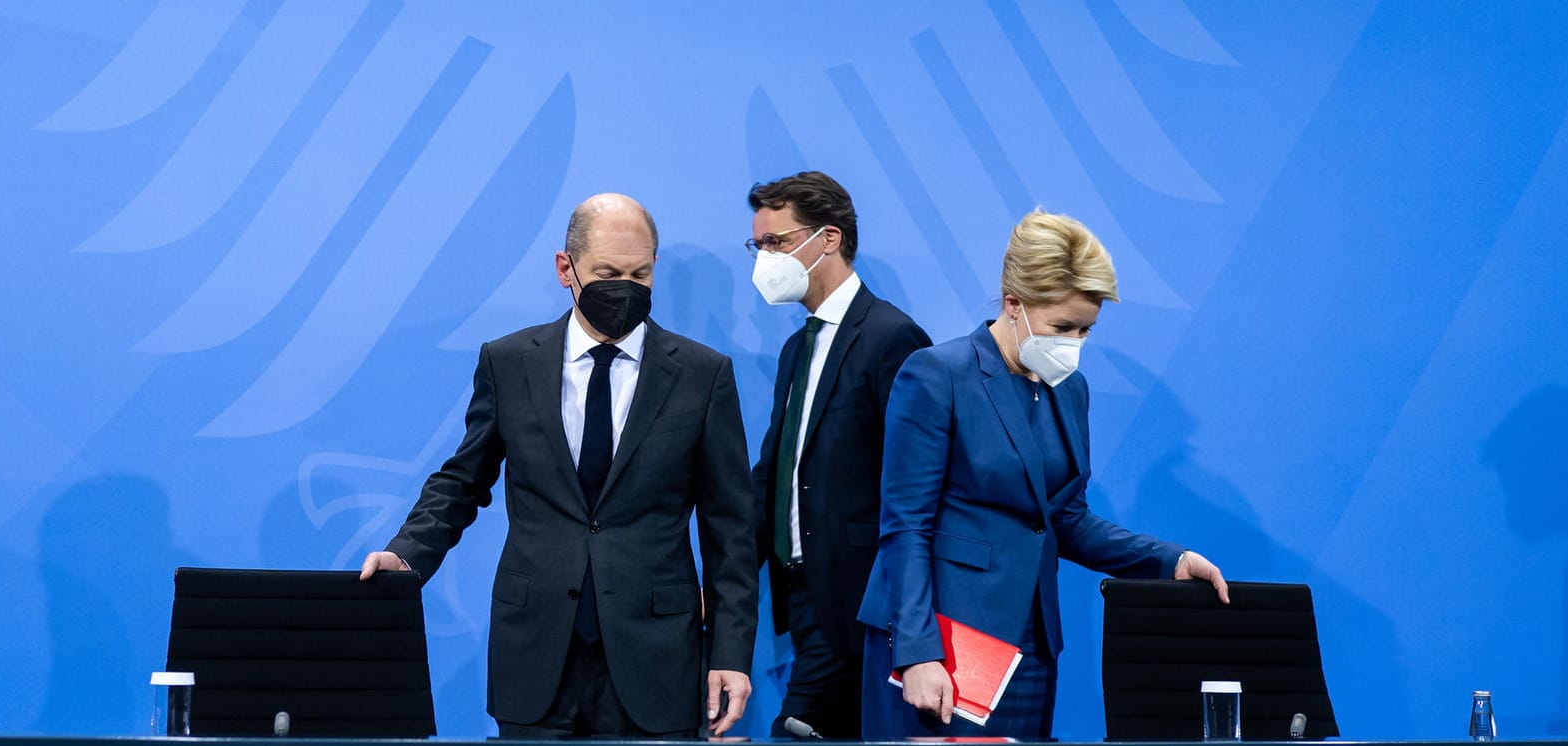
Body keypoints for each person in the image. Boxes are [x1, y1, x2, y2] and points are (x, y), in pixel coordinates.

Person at [360, 193, 758, 737]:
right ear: (564, 268)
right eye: (608, 272)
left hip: (656, 658)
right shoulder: (508, 362)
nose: (626, 287)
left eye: (640, 273)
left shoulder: (701, 374)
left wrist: (731, 652)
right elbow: (462, 480)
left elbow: (730, 528)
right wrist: (407, 556)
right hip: (535, 651)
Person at [855, 208, 1230, 738]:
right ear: (1014, 305)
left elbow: (1065, 519)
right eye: (1062, 326)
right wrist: (917, 653)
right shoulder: (937, 374)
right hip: (939, 649)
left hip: (1030, 649)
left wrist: (1169, 560)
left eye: (1086, 329)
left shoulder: (1069, 390)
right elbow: (905, 526)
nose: (1074, 342)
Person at [744, 172, 930, 738]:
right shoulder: (796, 347)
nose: (764, 259)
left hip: (857, 604)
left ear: (828, 238)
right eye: (758, 246)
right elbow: (777, 475)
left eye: (775, 243)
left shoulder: (892, 338)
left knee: (794, 730)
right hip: (798, 600)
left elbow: (915, 485)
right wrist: (729, 577)